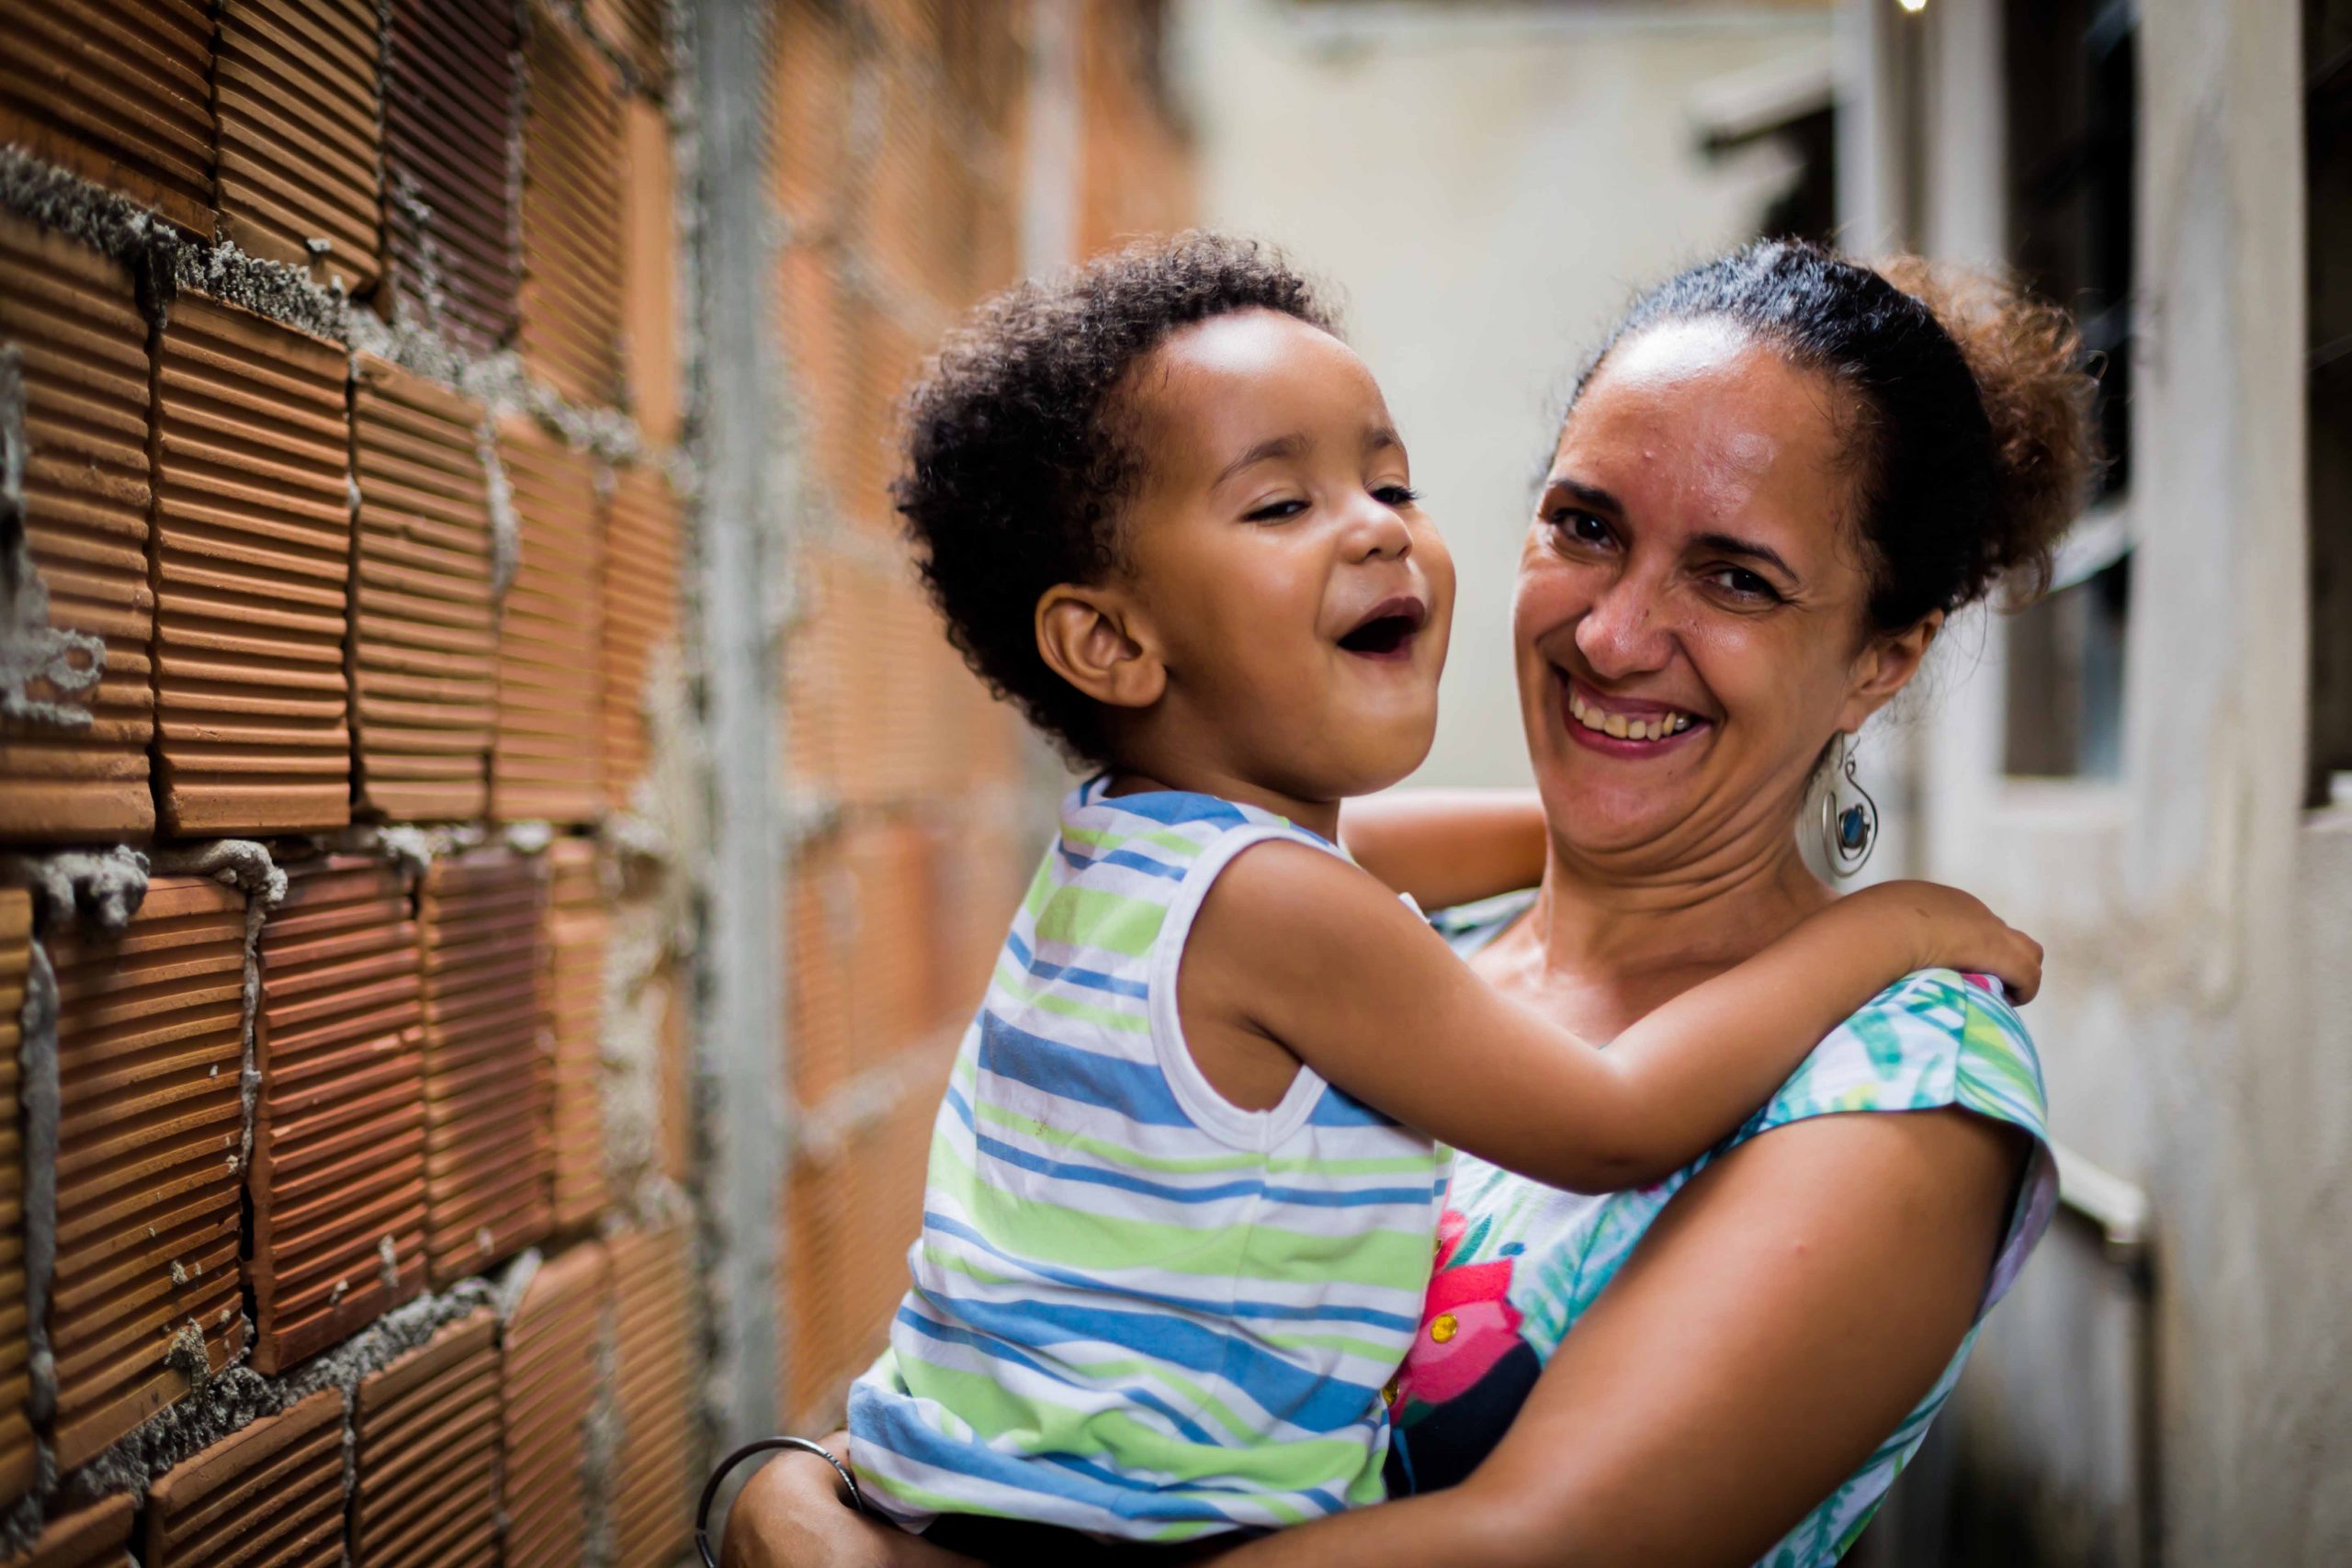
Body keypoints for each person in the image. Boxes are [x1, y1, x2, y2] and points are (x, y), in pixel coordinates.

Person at [725, 237, 2091, 1566]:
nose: (1613, 636)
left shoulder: (1896, 1088)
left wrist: (802, 1511)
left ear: (1880, 659)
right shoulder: (1358, 937)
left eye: (1738, 577)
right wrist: (1879, 914)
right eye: (1586, 526)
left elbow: (1543, 1545)